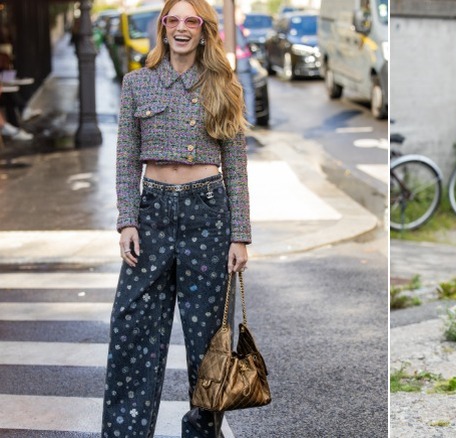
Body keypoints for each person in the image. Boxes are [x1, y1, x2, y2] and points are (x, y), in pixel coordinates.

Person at [101, 0, 251, 436]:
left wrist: (239, 234)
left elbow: (236, 164)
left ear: (204, 31)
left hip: (208, 215)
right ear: (163, 28)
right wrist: (127, 220)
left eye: (192, 21)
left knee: (209, 345)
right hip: (151, 216)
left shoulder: (224, 84)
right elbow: (127, 159)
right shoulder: (137, 83)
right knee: (132, 329)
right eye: (174, 20)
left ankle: (203, 431)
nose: (182, 28)